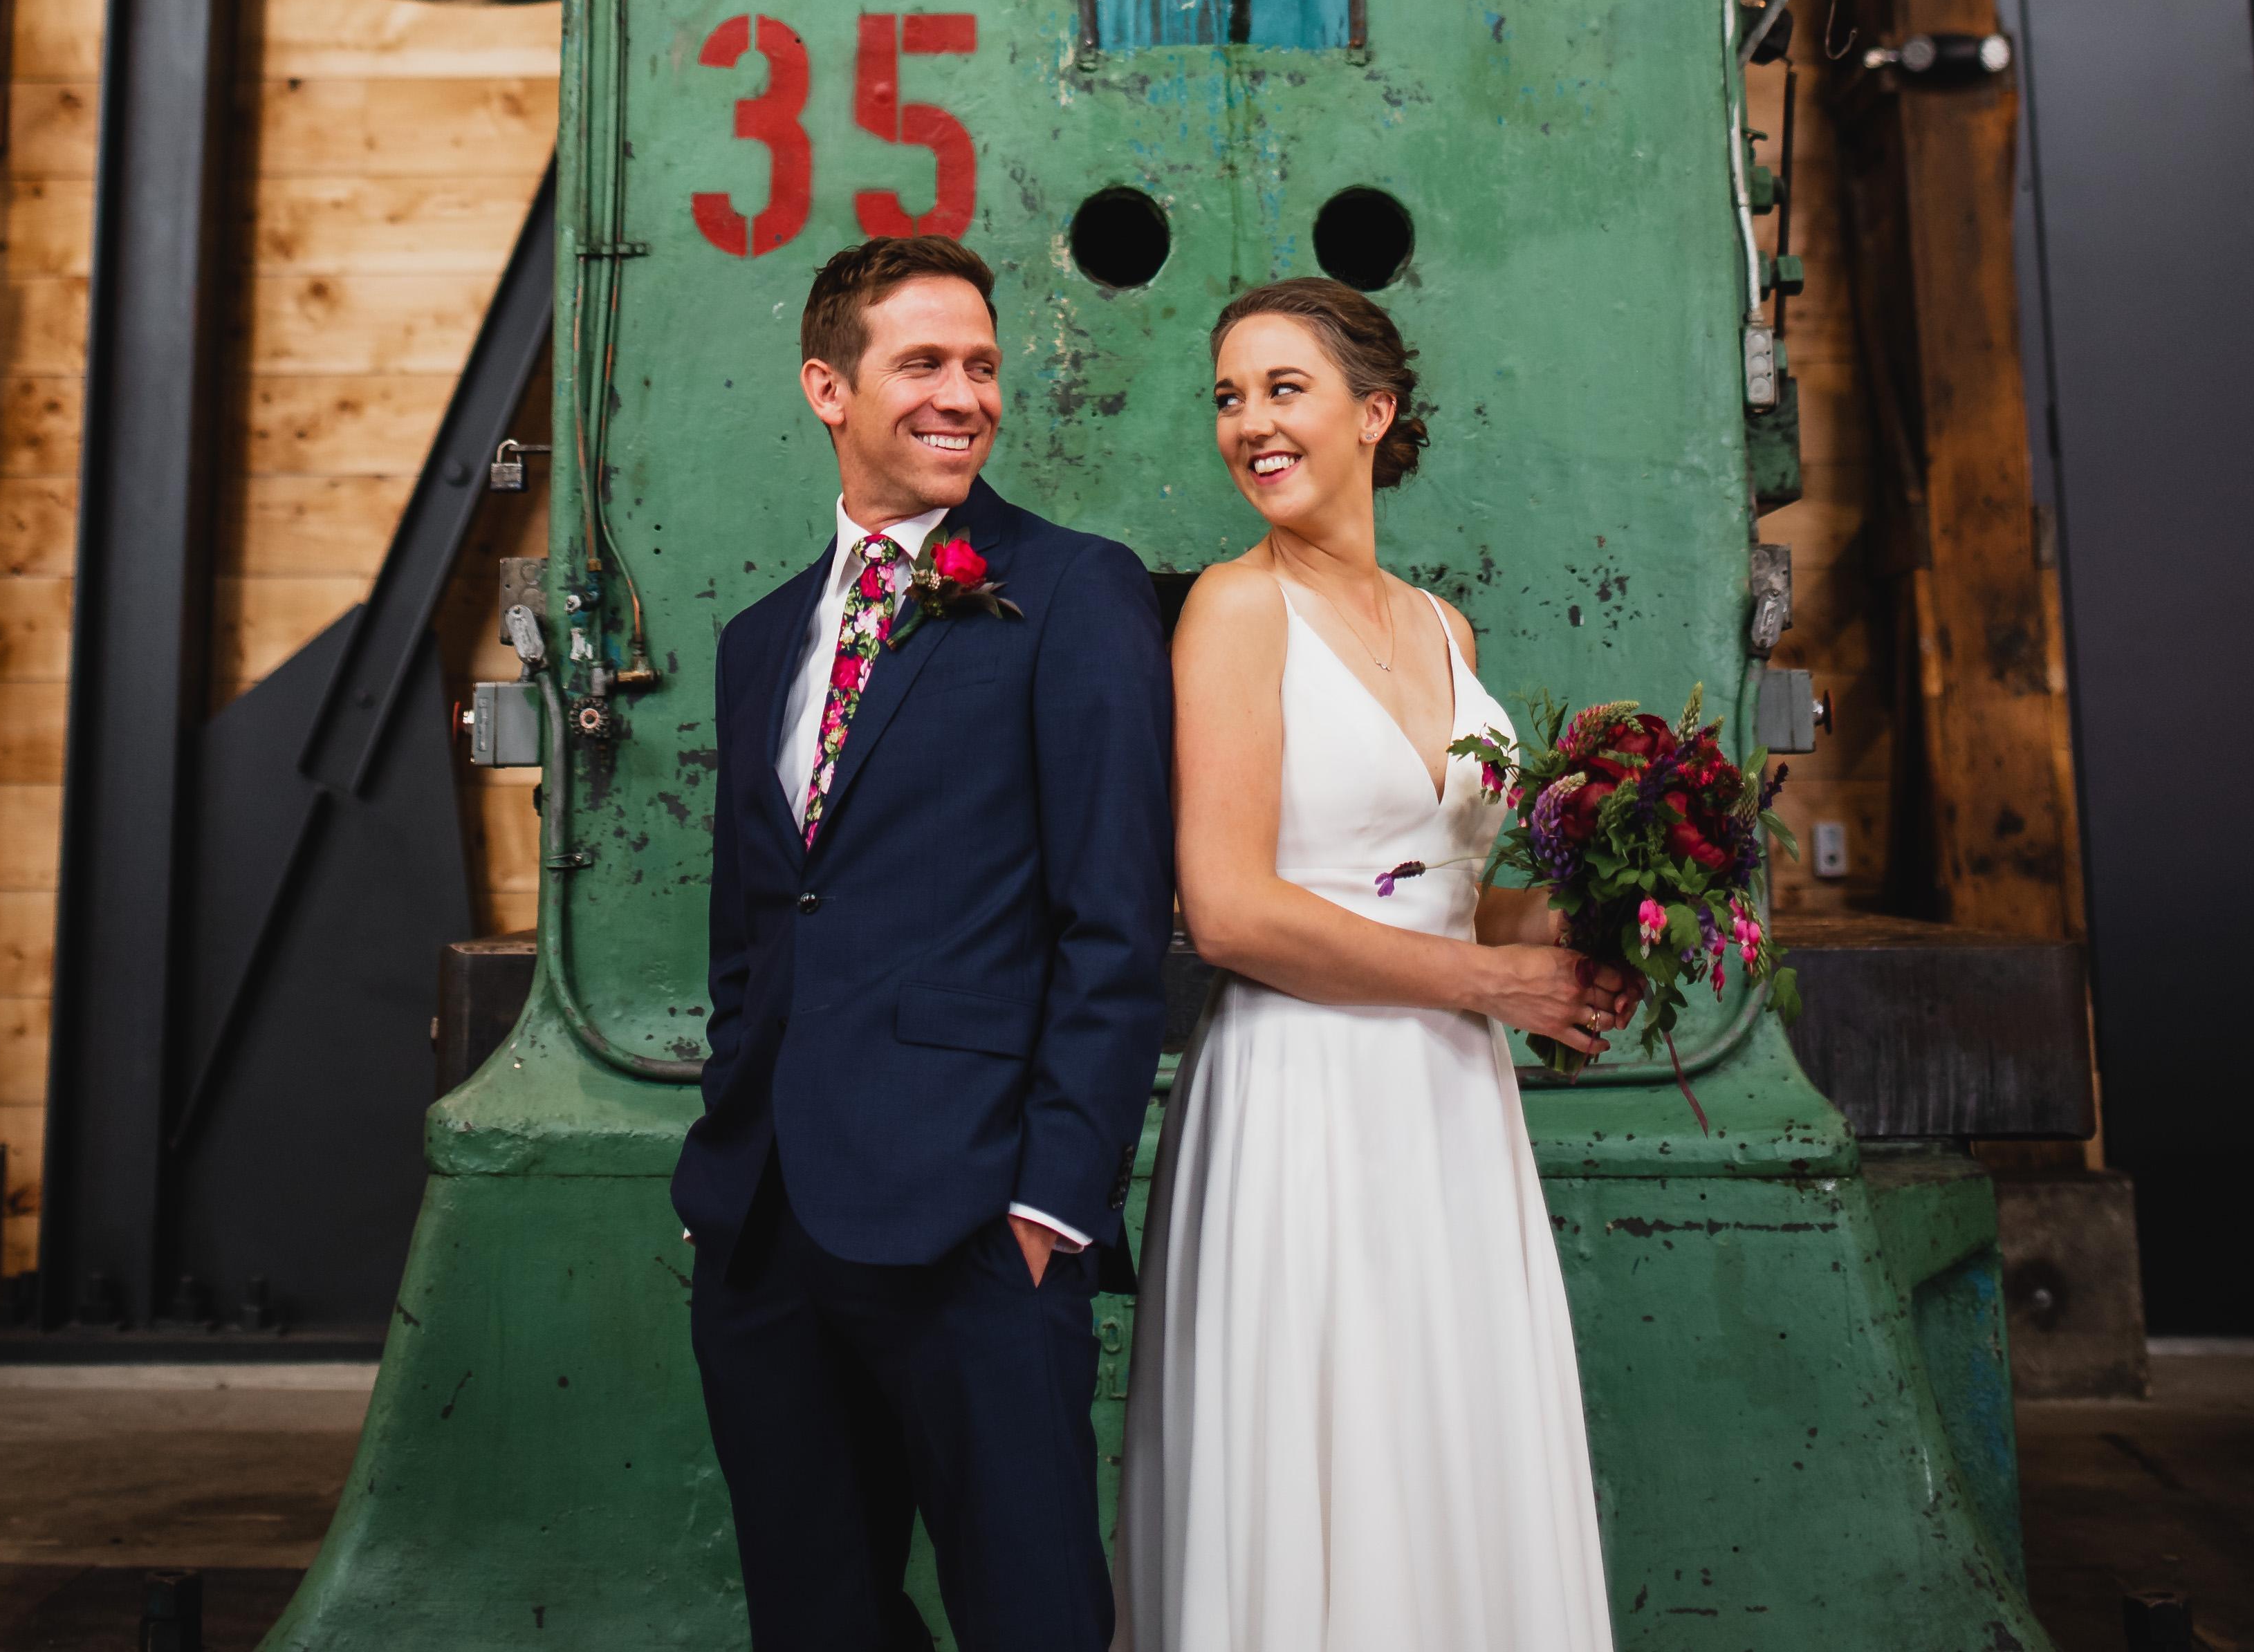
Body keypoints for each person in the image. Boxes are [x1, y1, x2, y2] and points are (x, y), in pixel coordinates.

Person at [1114, 277, 1632, 1652]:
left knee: (1447, 1443)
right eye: (1229, 397)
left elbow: (1448, 895)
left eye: (1283, 388)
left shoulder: (1444, 627)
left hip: (1449, 1105)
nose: (1250, 423)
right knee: (1317, 1457)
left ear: (1373, 411)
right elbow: (1228, 911)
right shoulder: (1233, 612)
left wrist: (1595, 922)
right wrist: (1493, 987)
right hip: (1300, 1096)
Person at [673, 231, 1174, 1652]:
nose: (965, 396)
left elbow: (1114, 919)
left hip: (975, 1224)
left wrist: (1053, 1205)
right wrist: (722, 1166)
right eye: (924, 364)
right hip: (765, 1229)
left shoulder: (1073, 591)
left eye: (982, 366)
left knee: (1032, 1618)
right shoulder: (759, 638)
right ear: (828, 387)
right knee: (814, 1621)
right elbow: (754, 931)